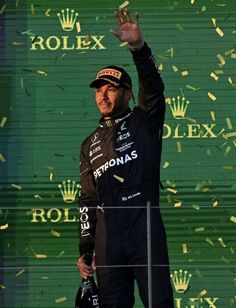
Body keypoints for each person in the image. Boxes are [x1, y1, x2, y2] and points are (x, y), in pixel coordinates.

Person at [77, 7, 174, 308]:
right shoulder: (89, 143)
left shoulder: (144, 121)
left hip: (144, 229)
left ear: (129, 94)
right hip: (109, 242)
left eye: (111, 89)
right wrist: (86, 251)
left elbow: (154, 89)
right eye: (98, 91)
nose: (103, 97)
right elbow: (88, 200)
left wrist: (138, 48)